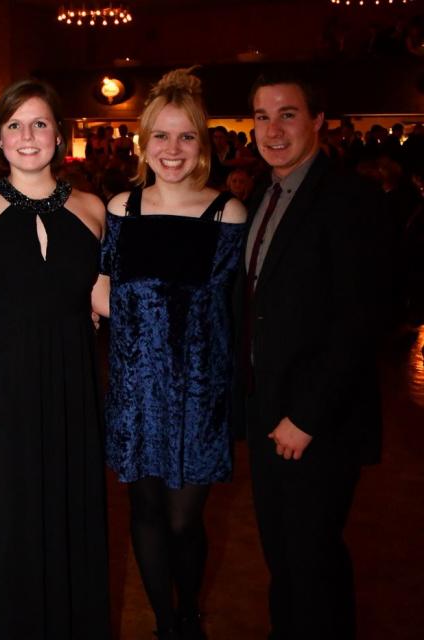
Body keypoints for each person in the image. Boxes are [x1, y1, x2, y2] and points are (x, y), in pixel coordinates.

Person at [0, 78, 110, 639]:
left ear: (59, 135)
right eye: (14, 124)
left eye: (39, 123)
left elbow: (106, 299)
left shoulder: (94, 209)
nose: (27, 135)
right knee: (6, 510)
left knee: (65, 507)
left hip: (70, 383)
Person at [233, 70, 385, 640]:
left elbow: (360, 321)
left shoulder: (350, 199)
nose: (272, 130)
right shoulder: (263, 195)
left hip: (317, 422)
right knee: (283, 555)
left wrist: (307, 417)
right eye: (262, 117)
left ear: (318, 120)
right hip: (268, 409)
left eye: (288, 114)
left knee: (314, 561)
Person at [98, 68, 247, 640]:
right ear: (143, 143)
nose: (173, 148)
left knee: (185, 521)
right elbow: (101, 291)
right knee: (146, 513)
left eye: (186, 136)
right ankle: (167, 623)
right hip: (135, 393)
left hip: (198, 396)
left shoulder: (227, 214)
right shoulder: (121, 209)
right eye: (161, 135)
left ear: (203, 144)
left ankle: (189, 616)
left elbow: (233, 315)